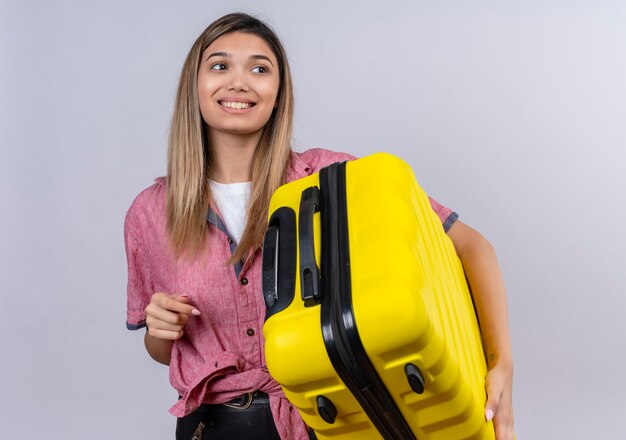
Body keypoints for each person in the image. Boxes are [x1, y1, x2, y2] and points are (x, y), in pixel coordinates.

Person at [124, 12, 514, 440]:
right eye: (219, 66)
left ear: (278, 92)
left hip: (331, 421)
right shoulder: (150, 213)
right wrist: (162, 330)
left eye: (259, 68)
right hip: (211, 428)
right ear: (194, 86)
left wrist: (502, 365)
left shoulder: (332, 179)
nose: (238, 82)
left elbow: (472, 246)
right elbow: (164, 351)